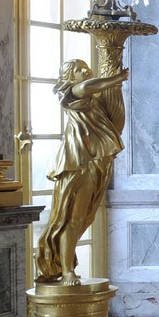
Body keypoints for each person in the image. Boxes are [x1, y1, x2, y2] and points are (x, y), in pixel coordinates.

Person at [35, 59, 128, 284]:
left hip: (95, 161)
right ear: (69, 76)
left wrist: (115, 87)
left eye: (86, 66)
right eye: (79, 69)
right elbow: (87, 86)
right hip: (78, 163)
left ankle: (63, 263)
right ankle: (67, 271)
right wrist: (117, 78)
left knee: (86, 217)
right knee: (73, 218)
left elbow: (116, 122)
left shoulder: (93, 100)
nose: (85, 70)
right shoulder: (69, 93)